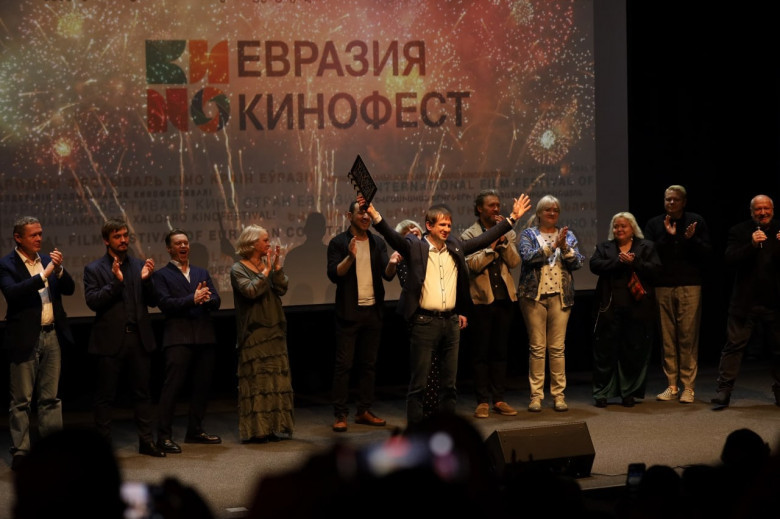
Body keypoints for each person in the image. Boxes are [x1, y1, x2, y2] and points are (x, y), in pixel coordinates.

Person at [364, 192, 532, 426]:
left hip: (451, 323)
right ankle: (416, 431)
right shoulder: (415, 246)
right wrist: (373, 214)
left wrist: (512, 218)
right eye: (442, 225)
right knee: (419, 384)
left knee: (449, 385)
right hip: (424, 322)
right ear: (429, 226)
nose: (446, 229)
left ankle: (448, 431)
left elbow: (483, 240)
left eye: (449, 225)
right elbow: (391, 235)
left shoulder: (455, 247)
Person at [83, 218, 164, 457]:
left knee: (143, 393)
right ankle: (103, 448)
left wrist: (147, 281)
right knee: (105, 397)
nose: (123, 240)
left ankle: (146, 442)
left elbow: (153, 301)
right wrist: (116, 283)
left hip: (138, 339)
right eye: (117, 236)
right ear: (106, 241)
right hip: (110, 341)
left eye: (126, 235)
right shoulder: (94, 269)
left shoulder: (139, 265)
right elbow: (93, 301)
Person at [0, 217, 75, 471]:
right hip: (24, 337)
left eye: (40, 233)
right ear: (18, 238)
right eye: (33, 235)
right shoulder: (6, 264)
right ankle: (21, 451)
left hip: (51, 335)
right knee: (21, 400)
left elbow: (70, 288)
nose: (39, 238)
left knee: (50, 398)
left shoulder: (46, 260)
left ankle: (51, 449)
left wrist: (59, 269)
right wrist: (45, 274)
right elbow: (13, 293)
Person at [327, 200, 396, 432]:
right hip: (349, 313)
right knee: (344, 366)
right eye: (361, 213)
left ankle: (363, 410)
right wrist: (350, 257)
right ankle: (340, 414)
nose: (366, 217)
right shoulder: (339, 242)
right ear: (349, 216)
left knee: (368, 365)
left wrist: (393, 263)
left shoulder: (378, 242)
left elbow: (387, 275)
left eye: (368, 213)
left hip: (373, 312)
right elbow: (334, 274)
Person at [153, 229, 222, 454]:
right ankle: (164, 436)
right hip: (178, 337)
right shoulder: (162, 275)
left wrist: (207, 299)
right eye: (178, 243)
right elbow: (165, 304)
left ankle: (195, 430)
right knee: (172, 388)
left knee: (202, 386)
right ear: (169, 249)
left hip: (204, 336)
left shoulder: (201, 272)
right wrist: (192, 299)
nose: (183, 246)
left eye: (186, 242)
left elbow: (216, 300)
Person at [643, 185, 712, 404]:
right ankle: (671, 385)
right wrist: (668, 236)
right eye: (668, 199)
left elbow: (707, 253)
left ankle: (688, 387)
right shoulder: (655, 224)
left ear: (684, 202)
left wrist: (690, 239)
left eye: (675, 199)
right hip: (662, 285)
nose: (671, 203)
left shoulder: (695, 221)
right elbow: (648, 253)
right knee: (667, 337)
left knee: (687, 336)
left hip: (689, 285)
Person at [711, 194, 780, 408]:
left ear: (772, 210)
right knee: (733, 346)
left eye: (766, 208)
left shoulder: (779, 230)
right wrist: (751, 244)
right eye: (758, 209)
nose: (763, 212)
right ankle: (724, 391)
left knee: (779, 348)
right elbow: (729, 258)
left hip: (775, 301)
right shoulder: (739, 231)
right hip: (745, 302)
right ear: (751, 212)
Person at [517, 195, 584, 412]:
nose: (552, 213)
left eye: (555, 210)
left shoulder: (567, 235)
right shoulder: (528, 234)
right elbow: (527, 257)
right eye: (548, 210)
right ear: (539, 213)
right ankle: (536, 396)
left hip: (560, 297)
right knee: (537, 348)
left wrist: (564, 248)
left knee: (557, 348)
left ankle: (558, 396)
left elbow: (578, 263)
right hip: (534, 297)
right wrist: (552, 246)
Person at [589, 212, 661, 408]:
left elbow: (655, 269)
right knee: (605, 352)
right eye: (616, 226)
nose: (619, 229)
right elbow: (594, 265)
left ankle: (628, 392)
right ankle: (602, 392)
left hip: (637, 308)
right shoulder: (604, 247)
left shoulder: (646, 246)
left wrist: (634, 262)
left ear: (632, 228)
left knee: (632, 352)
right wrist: (618, 261)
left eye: (623, 226)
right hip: (610, 307)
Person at [461, 189, 522, 418]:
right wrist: (492, 245)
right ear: (480, 209)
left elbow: (514, 262)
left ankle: (499, 399)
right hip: (481, 302)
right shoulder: (469, 234)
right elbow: (473, 265)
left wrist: (503, 241)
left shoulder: (508, 232)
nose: (496, 209)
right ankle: (482, 401)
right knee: (480, 353)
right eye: (491, 205)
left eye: (498, 205)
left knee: (500, 351)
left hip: (504, 300)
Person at [230, 225, 294, 442]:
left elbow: (281, 289)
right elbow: (250, 291)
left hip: (274, 330)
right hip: (254, 333)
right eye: (265, 240)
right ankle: (258, 430)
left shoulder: (268, 265)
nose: (269, 243)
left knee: (275, 382)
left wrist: (277, 269)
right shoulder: (238, 269)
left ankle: (273, 426)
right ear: (252, 243)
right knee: (257, 382)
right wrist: (265, 272)